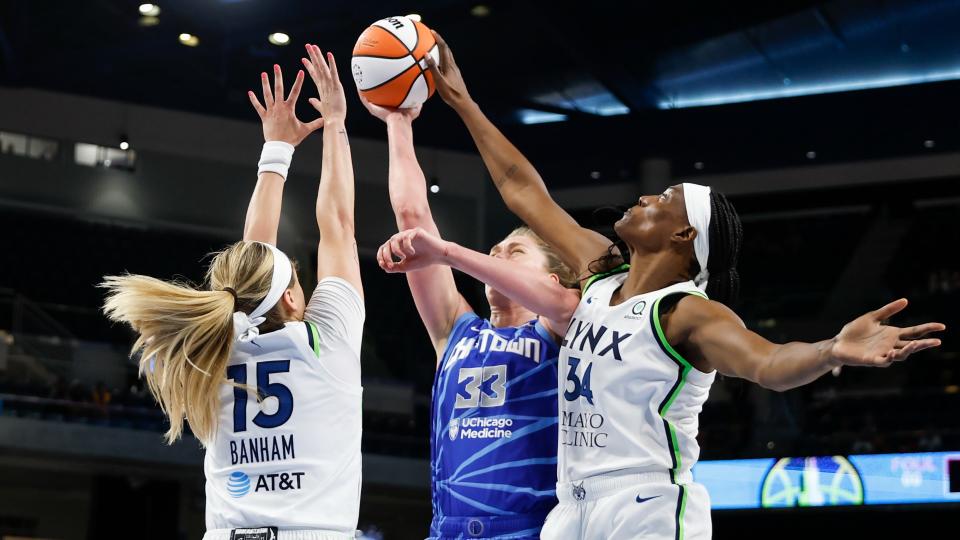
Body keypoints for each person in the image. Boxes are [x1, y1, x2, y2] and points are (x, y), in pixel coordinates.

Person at [424, 32, 946, 539]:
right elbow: (523, 191)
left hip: (647, 504)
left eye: (664, 199)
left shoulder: (686, 313)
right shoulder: (600, 272)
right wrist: (465, 103)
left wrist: (832, 348)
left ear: (682, 234)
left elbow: (768, 364)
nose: (647, 197)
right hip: (572, 505)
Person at [102, 45, 365, 539]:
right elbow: (339, 227)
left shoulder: (213, 353)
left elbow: (256, 263)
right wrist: (334, 124)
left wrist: (280, 149)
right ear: (289, 297)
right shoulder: (324, 343)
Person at [359, 94, 580, 539]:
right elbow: (412, 219)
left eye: (514, 253)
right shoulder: (457, 331)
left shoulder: (563, 327)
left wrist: (451, 254)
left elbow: (563, 304)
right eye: (494, 253)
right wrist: (397, 121)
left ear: (554, 279)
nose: (496, 257)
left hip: (532, 529)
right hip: (448, 530)